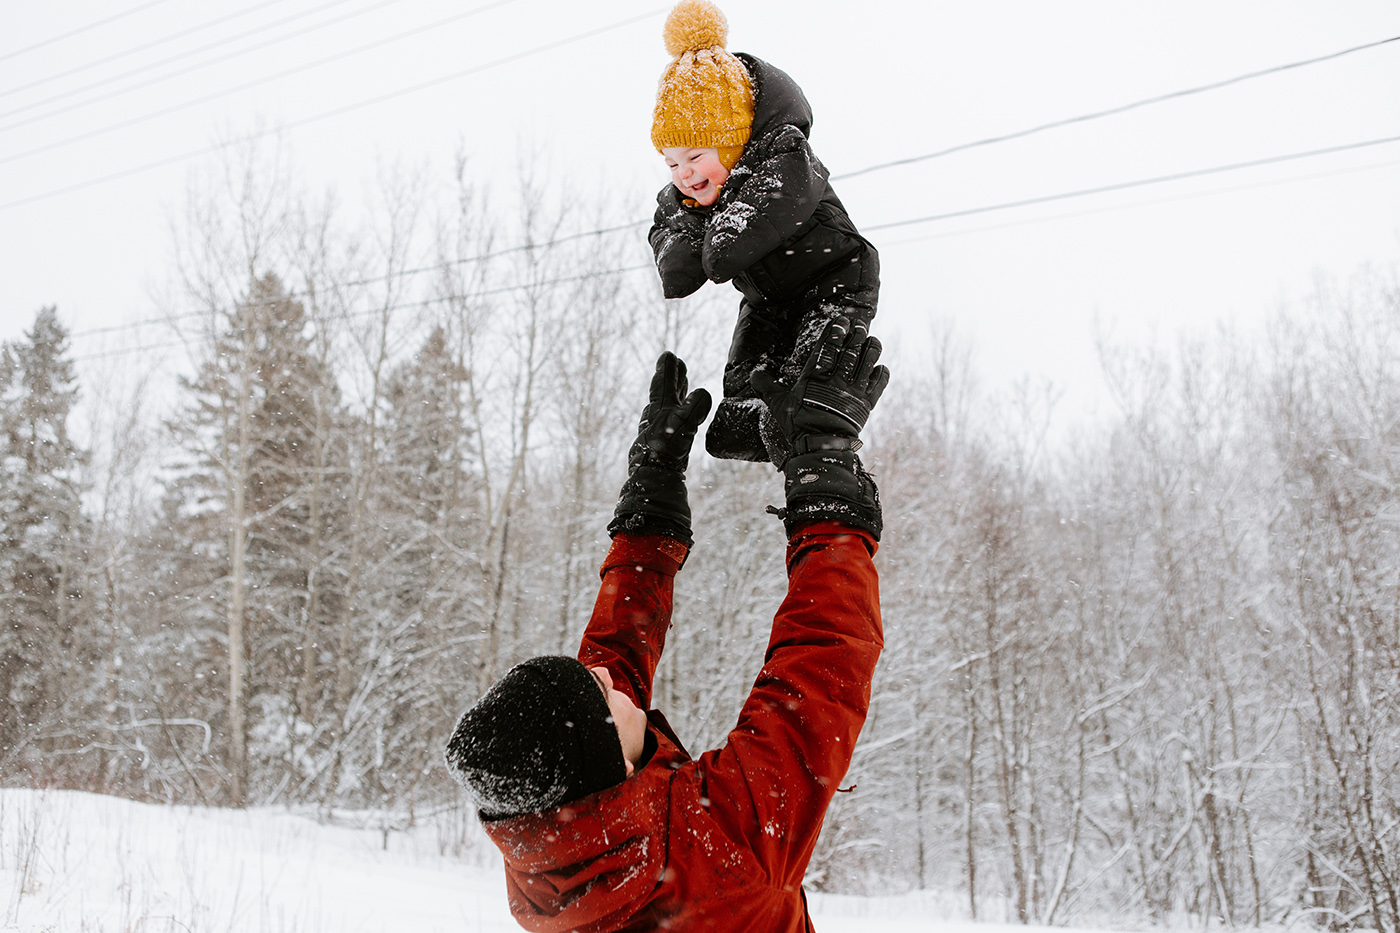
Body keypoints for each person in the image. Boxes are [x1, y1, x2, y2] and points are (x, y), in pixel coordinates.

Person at [445, 317, 889, 932]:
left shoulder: (550, 857)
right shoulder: (716, 853)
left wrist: (649, 509)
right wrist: (827, 485)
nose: (603, 671)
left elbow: (609, 670)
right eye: (599, 690)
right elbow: (820, 669)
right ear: (607, 759)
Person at [647, 0, 880, 467]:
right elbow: (673, 255)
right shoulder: (698, 194)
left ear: (733, 143)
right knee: (741, 411)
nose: (684, 174)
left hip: (834, 283)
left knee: (810, 388)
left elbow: (741, 236)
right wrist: (687, 232)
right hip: (767, 299)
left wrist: (712, 235)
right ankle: (773, 440)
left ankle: (816, 454)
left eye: (695, 156)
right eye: (671, 162)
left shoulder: (786, 156)